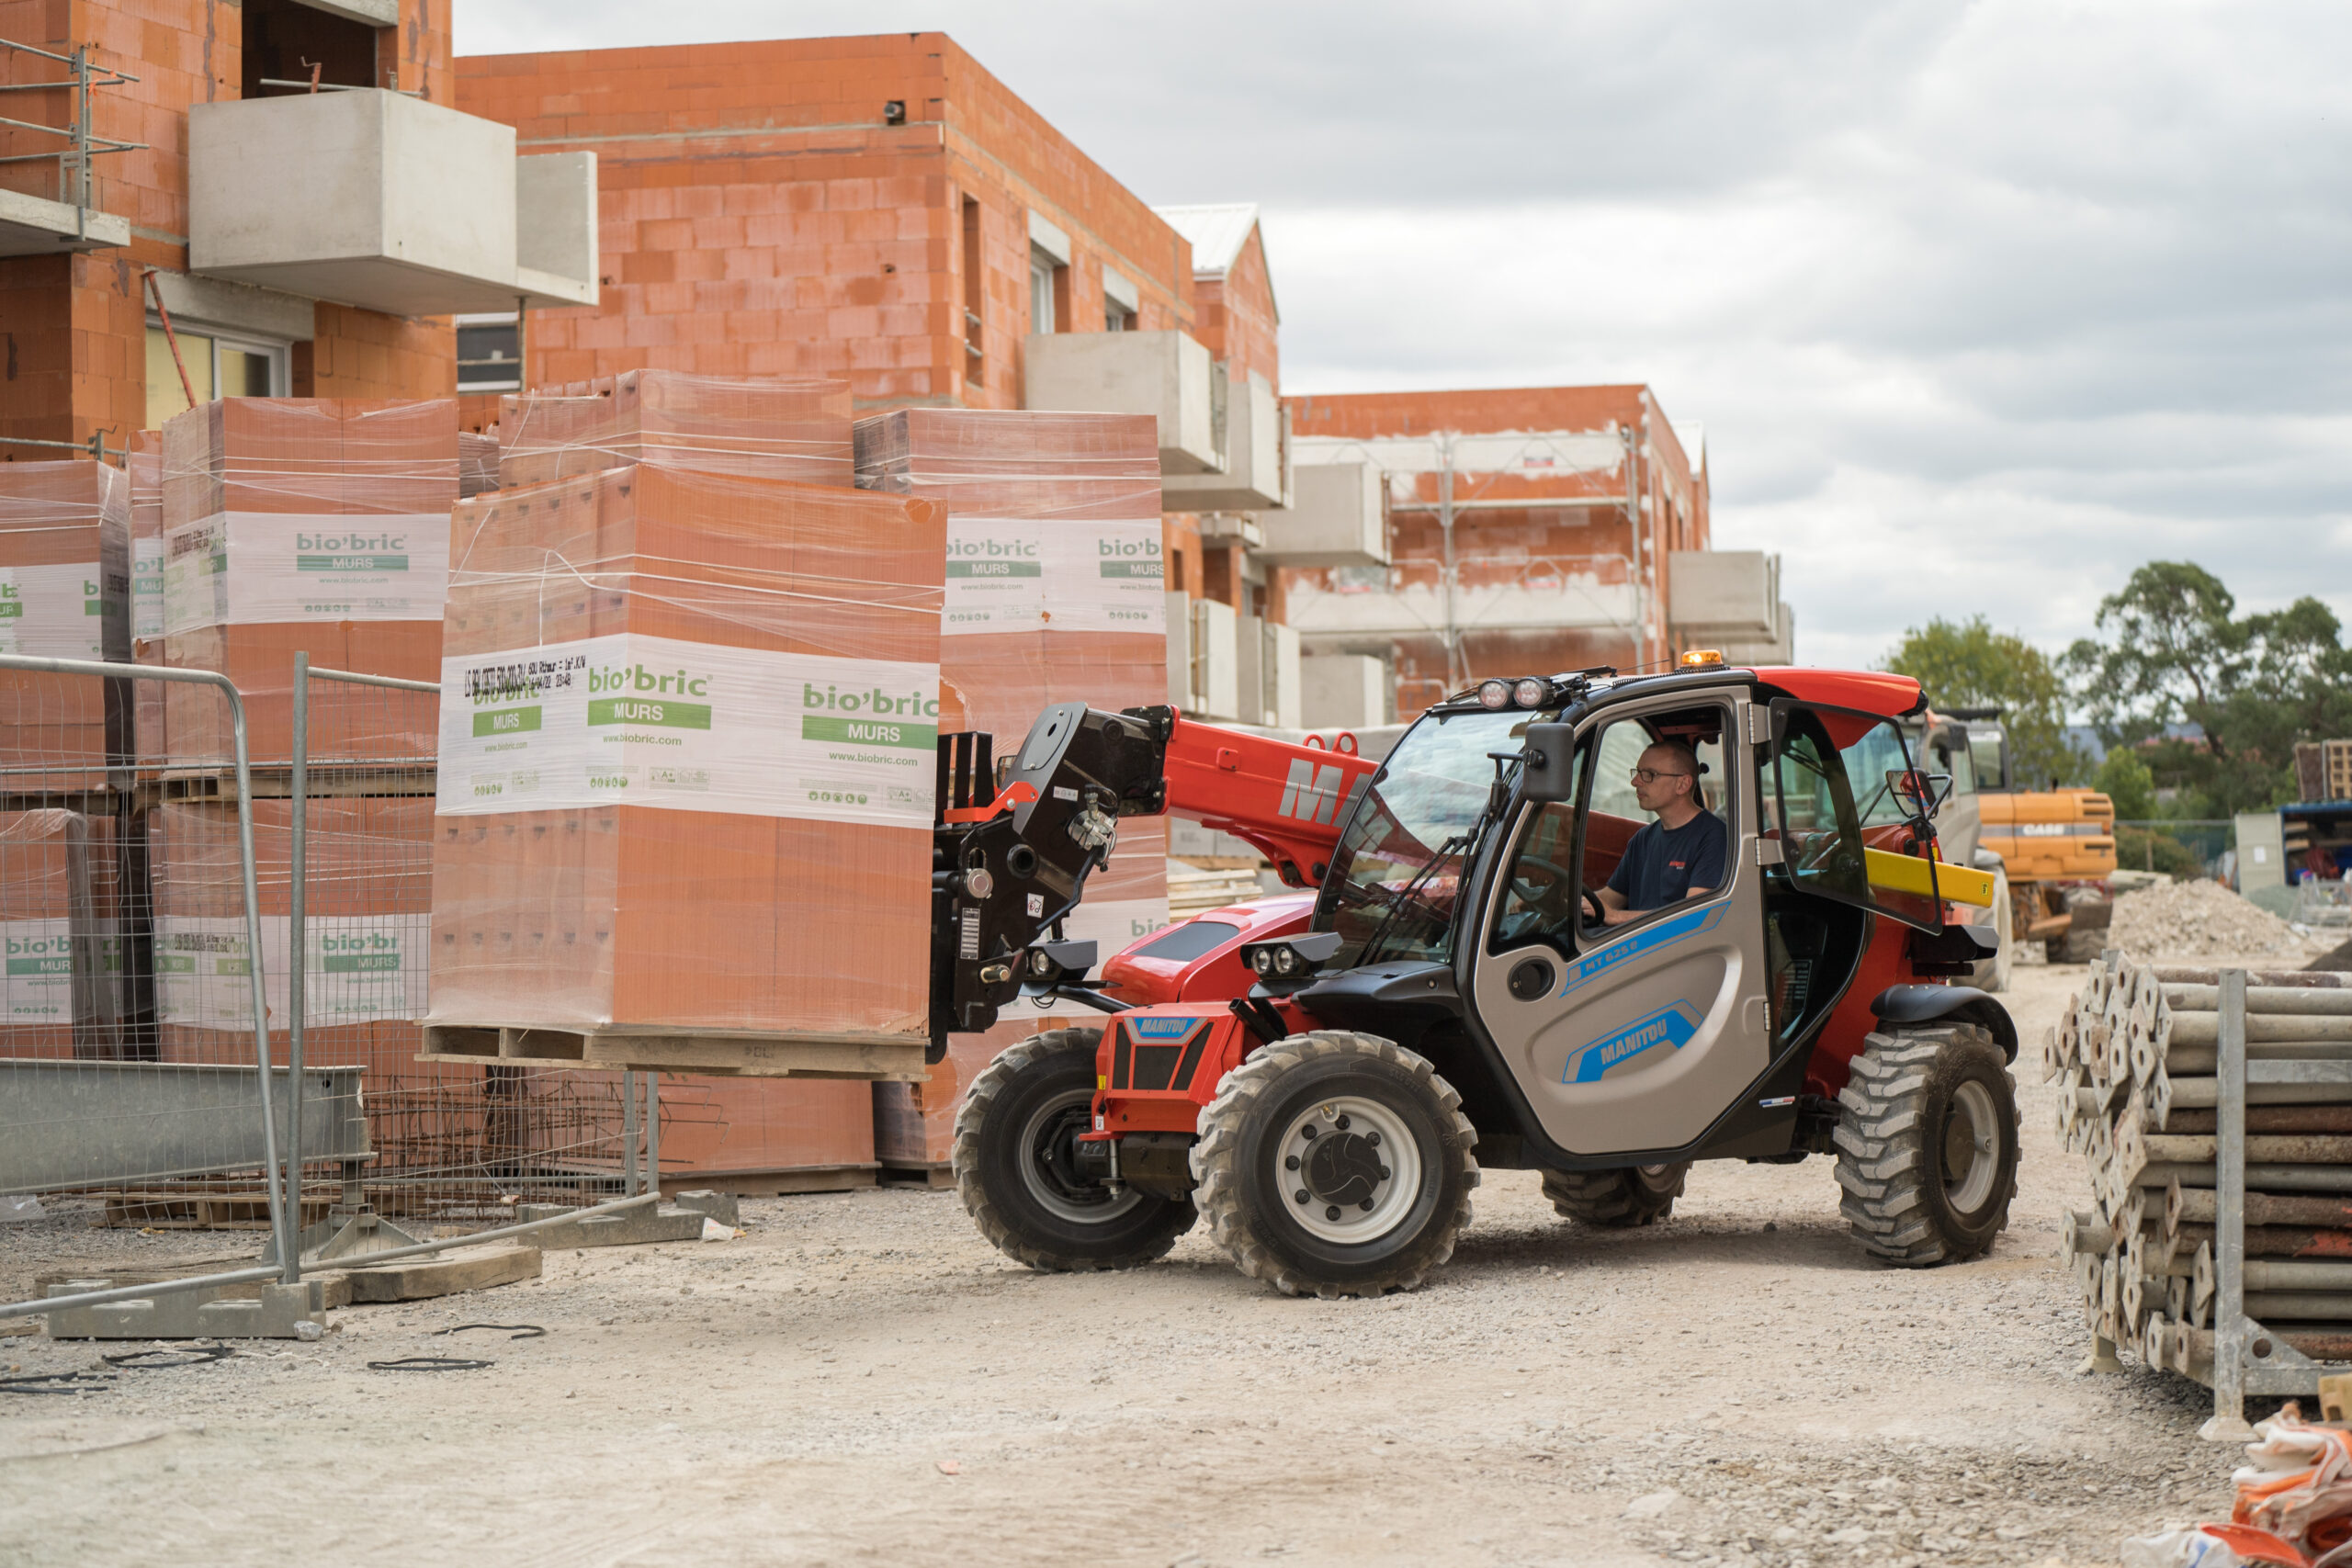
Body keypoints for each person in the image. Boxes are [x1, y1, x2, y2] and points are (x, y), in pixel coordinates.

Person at [1594, 739, 1729, 925]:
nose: (1635, 782)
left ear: (1682, 784)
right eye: (1637, 772)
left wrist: (1615, 916)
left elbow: (1695, 916)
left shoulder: (1714, 837)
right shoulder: (1642, 839)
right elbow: (1609, 899)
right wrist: (1572, 902)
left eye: (1649, 774)